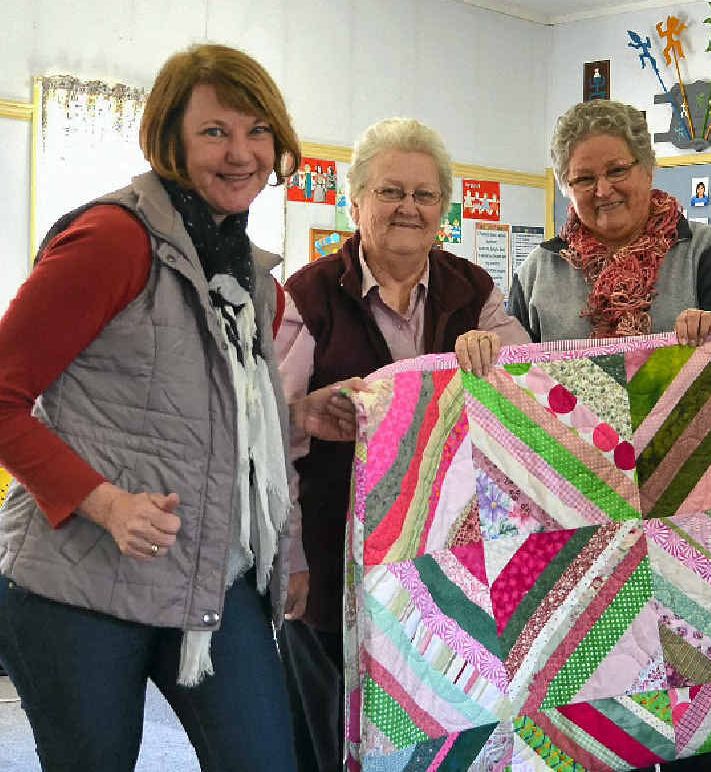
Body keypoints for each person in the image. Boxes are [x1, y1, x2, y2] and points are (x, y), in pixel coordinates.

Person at [0, 44, 303, 771]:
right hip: (81, 584)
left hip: (209, 581)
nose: (241, 153)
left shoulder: (251, 277)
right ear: (170, 140)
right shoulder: (112, 239)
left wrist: (308, 421)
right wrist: (103, 503)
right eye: (214, 132)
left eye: (258, 131)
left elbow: (230, 424)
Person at [508, 98, 711, 772]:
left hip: (693, 522)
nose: (602, 191)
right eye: (581, 179)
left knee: (701, 730)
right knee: (595, 730)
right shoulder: (540, 272)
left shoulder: (707, 253)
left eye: (617, 170)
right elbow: (515, 397)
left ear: (648, 167)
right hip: (583, 530)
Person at [274, 116, 530, 771]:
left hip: (452, 564)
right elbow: (273, 437)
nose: (407, 208)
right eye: (389, 192)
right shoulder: (306, 297)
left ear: (444, 208)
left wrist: (495, 352)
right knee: (333, 736)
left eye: (424, 195)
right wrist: (292, 557)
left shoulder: (472, 290)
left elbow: (531, 383)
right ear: (355, 201)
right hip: (335, 565)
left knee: (440, 726)